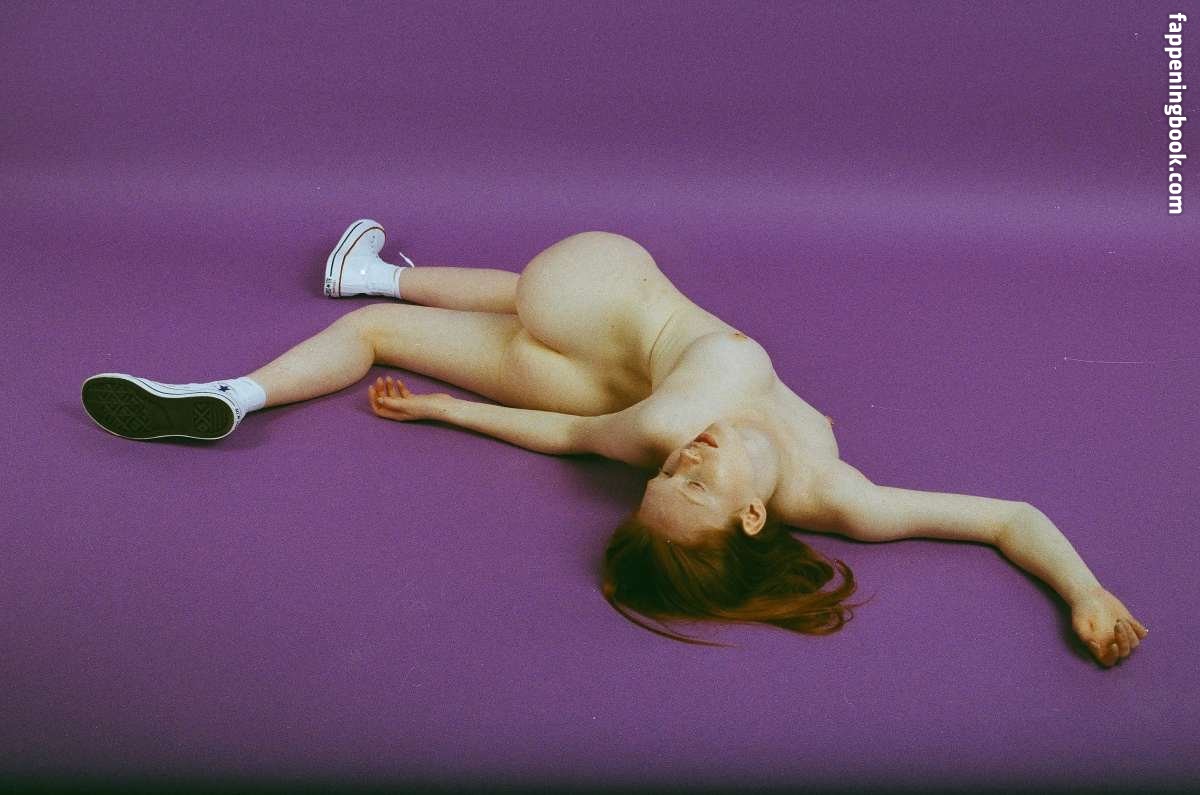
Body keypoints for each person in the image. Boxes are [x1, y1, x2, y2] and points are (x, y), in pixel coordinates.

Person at [81, 220, 1148, 666]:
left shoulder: (667, 427)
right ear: (753, 514)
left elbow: (575, 434)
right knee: (486, 309)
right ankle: (370, 278)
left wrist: (452, 411)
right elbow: (1007, 519)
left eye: (663, 476)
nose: (680, 459)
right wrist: (1084, 588)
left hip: (588, 349)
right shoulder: (844, 495)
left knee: (386, 337)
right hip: (594, 342)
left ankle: (237, 392)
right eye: (693, 478)